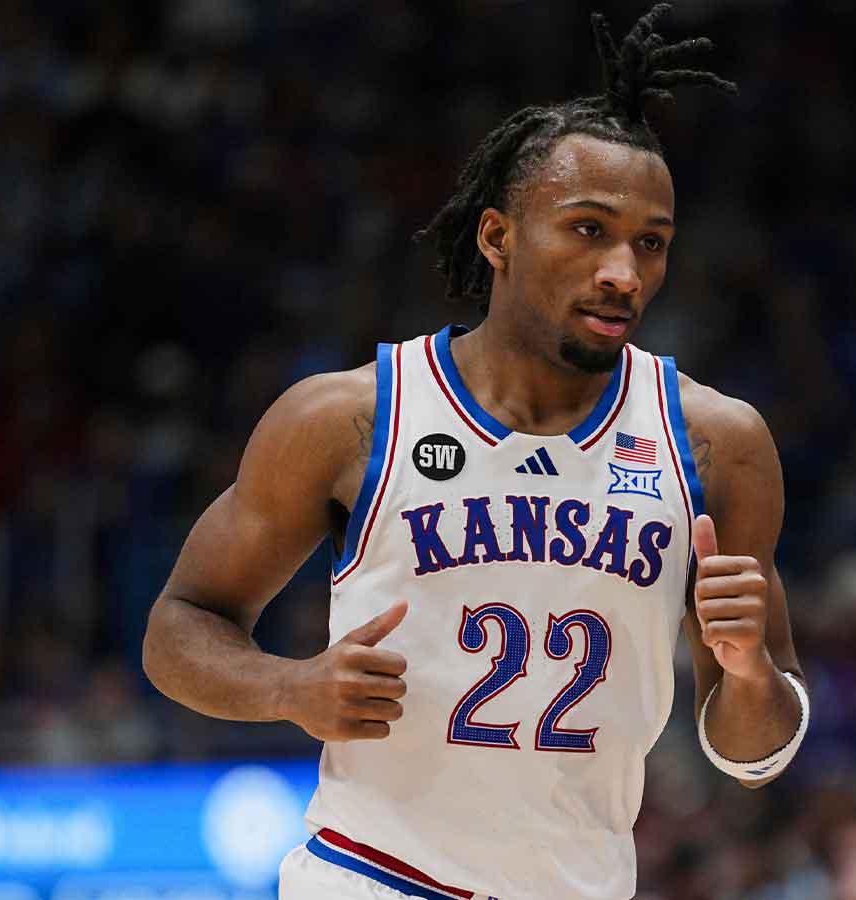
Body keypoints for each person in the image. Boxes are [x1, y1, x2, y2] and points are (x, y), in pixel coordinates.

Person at [142, 6, 808, 899]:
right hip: (371, 878)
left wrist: (747, 669)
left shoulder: (717, 442)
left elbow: (754, 754)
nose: (624, 270)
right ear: (498, 237)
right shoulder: (349, 417)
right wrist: (288, 690)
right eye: (588, 229)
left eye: (650, 244)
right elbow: (179, 626)